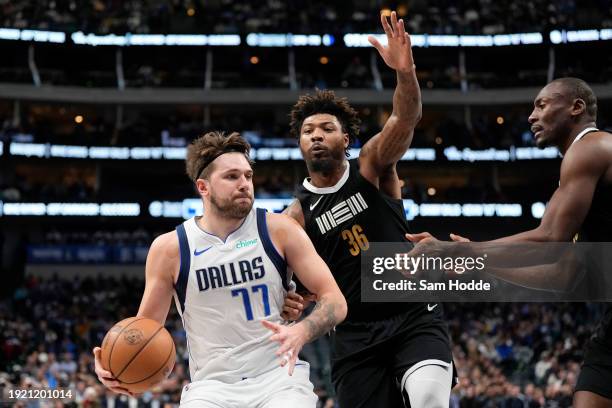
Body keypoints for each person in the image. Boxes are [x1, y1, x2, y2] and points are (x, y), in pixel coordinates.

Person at [93, 131, 347, 407]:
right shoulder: (170, 249)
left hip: (279, 380)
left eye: (248, 176)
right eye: (231, 176)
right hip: (210, 388)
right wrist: (114, 368)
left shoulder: (279, 230)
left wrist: (301, 332)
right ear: (203, 187)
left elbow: (335, 300)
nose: (244, 184)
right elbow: (146, 331)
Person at [283, 11, 455, 408]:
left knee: (428, 399)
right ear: (300, 144)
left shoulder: (371, 166)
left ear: (346, 137)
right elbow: (291, 283)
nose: (316, 136)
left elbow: (405, 118)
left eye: (326, 128)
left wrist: (405, 72)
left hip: (411, 312)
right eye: (308, 132)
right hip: (354, 333)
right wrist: (290, 296)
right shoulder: (295, 216)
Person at [408, 77, 612, 408]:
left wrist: (456, 249)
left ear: (577, 108)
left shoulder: (590, 148)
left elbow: (549, 240)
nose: (531, 116)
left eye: (542, 105)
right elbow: (565, 274)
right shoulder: (580, 164)